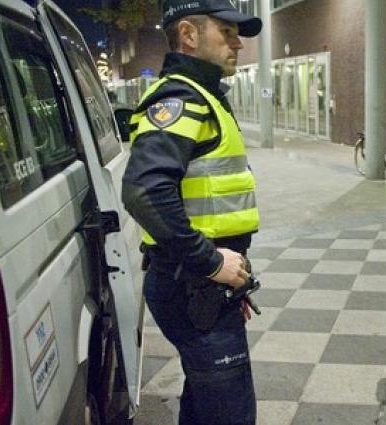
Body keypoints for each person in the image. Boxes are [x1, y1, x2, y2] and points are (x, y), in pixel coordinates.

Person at [121, 1, 262, 424]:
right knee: (230, 411)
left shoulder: (204, 95)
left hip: (199, 282)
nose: (239, 43)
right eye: (227, 31)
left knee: (205, 400)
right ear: (188, 35)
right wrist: (211, 260)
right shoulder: (181, 99)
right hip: (193, 283)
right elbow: (144, 191)